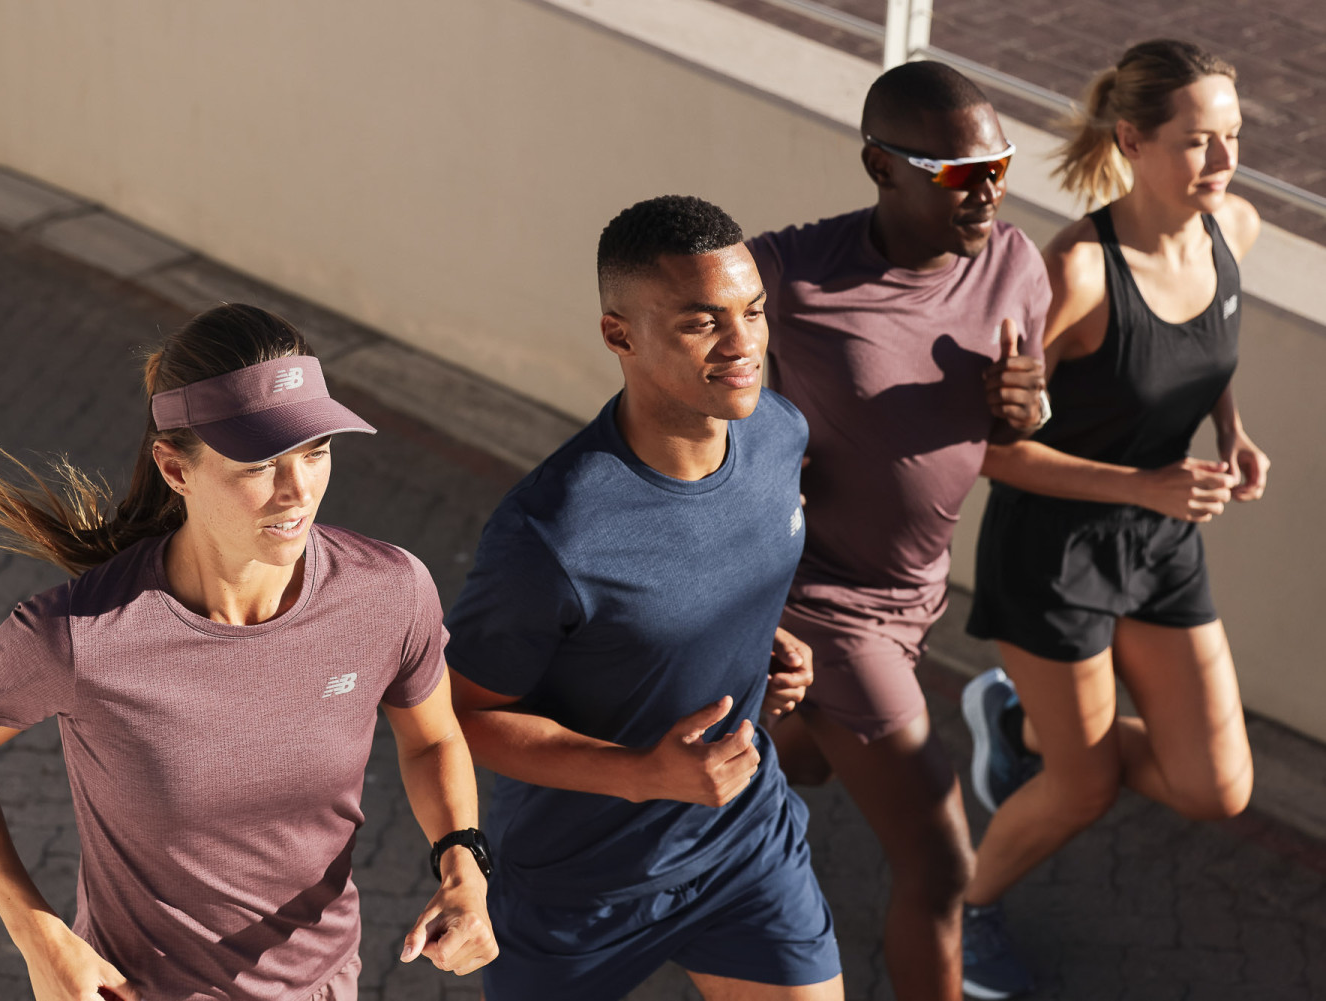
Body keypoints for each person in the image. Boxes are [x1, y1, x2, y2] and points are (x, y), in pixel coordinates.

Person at [0, 304, 498, 1001]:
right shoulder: (80, 634)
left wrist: (464, 863)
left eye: (315, 450)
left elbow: (431, 741)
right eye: (259, 462)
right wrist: (37, 930)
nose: (298, 489)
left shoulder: (389, 591)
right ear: (174, 469)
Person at [445, 195, 843, 1000]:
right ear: (618, 333)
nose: (744, 346)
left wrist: (759, 635)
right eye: (704, 323)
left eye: (755, 312)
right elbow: (456, 715)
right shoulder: (551, 532)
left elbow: (717, 568)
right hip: (579, 890)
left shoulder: (776, 433)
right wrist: (640, 773)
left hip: (744, 846)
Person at [958, 39, 1267, 999]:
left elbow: (1201, 356)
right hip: (1056, 550)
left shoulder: (1236, 228)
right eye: (1198, 143)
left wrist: (1233, 428)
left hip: (1162, 544)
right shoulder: (1081, 273)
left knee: (1218, 790)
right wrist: (1145, 486)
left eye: (1232, 139)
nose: (1222, 164)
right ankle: (959, 911)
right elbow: (987, 450)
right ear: (1132, 139)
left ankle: (1018, 727)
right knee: (1084, 789)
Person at [746, 62, 1050, 1001]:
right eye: (960, 171)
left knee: (793, 764)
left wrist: (1029, 408)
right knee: (942, 863)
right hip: (826, 603)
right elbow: (676, 385)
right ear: (882, 166)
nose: (989, 186)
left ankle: (695, 841)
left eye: (998, 162)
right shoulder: (790, 275)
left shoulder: (1014, 264)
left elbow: (1010, 427)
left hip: (920, 590)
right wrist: (754, 460)